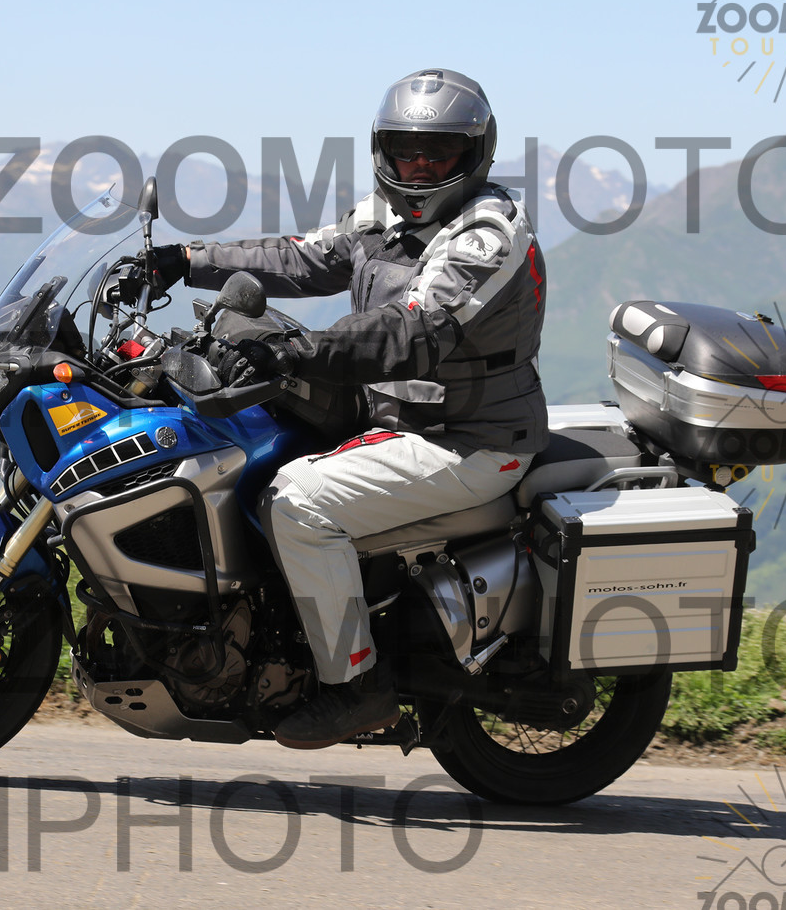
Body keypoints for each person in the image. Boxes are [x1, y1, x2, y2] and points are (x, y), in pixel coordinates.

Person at [149, 68, 547, 748]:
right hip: (399, 422)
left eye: (438, 152)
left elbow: (412, 330)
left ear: (476, 153)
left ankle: (356, 686)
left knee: (297, 503)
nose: (418, 166)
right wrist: (186, 260)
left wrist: (298, 351)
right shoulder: (381, 216)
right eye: (404, 150)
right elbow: (302, 259)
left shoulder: (487, 234)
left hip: (467, 440)